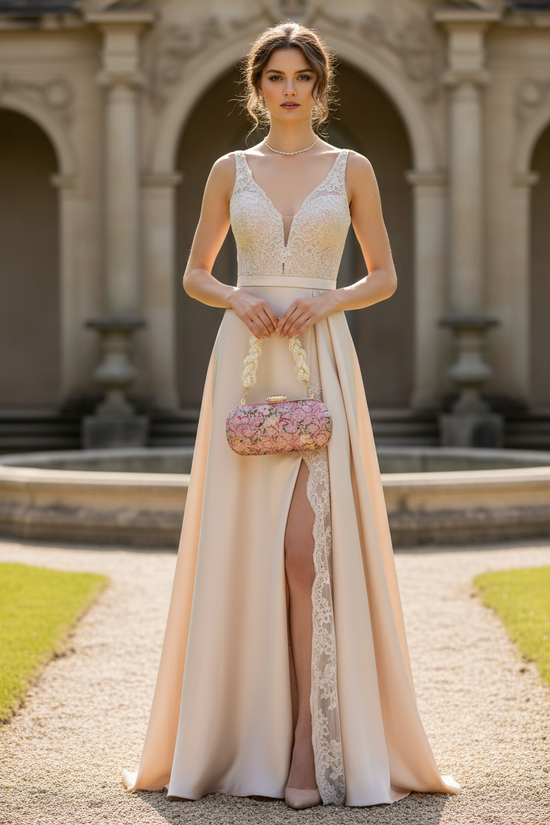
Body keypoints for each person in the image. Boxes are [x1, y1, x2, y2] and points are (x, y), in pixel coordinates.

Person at [122, 21, 460, 809]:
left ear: (319, 86)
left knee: (308, 556)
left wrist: (328, 299)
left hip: (320, 358)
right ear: (257, 86)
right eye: (275, 76)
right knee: (244, 554)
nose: (288, 89)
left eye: (301, 76)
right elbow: (196, 273)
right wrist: (238, 294)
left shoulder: (352, 169)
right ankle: (243, 739)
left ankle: (311, 741)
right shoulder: (227, 170)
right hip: (243, 360)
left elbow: (383, 274)